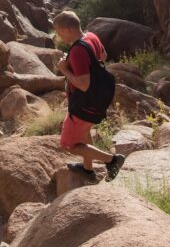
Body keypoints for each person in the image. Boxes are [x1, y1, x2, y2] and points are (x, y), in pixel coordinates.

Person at [52, 10, 125, 181]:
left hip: (84, 104)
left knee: (67, 144)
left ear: (68, 30)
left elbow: (84, 85)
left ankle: (112, 160)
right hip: (96, 100)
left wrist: (64, 69)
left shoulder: (77, 51)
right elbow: (103, 56)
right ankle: (87, 169)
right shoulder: (91, 36)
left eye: (59, 32)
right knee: (84, 134)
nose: (59, 36)